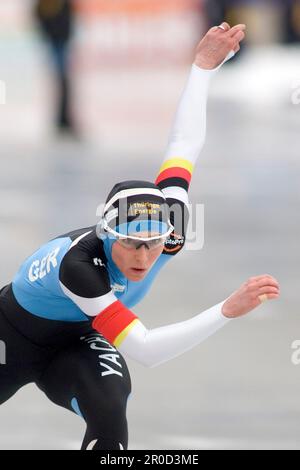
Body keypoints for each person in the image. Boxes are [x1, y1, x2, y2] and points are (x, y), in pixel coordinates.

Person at [0, 23, 280, 450]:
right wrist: (225, 310)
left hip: (76, 342)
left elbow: (184, 145)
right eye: (130, 243)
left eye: (153, 242)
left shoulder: (171, 227)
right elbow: (146, 349)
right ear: (107, 234)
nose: (143, 255)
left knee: (111, 417)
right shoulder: (80, 267)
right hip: (11, 336)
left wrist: (203, 68)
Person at [34, 0, 75, 133]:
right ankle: (62, 119)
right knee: (61, 80)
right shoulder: (48, 4)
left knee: (63, 80)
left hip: (60, 42)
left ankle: (63, 119)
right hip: (56, 42)